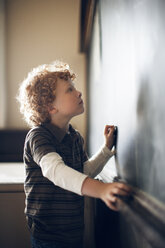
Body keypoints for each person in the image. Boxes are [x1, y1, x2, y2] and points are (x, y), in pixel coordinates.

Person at [17, 61, 131, 248]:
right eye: (69, 90)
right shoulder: (38, 136)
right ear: (50, 107)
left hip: (74, 231)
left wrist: (105, 150)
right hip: (48, 237)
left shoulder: (74, 137)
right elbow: (56, 171)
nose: (78, 92)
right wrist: (101, 190)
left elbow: (82, 172)